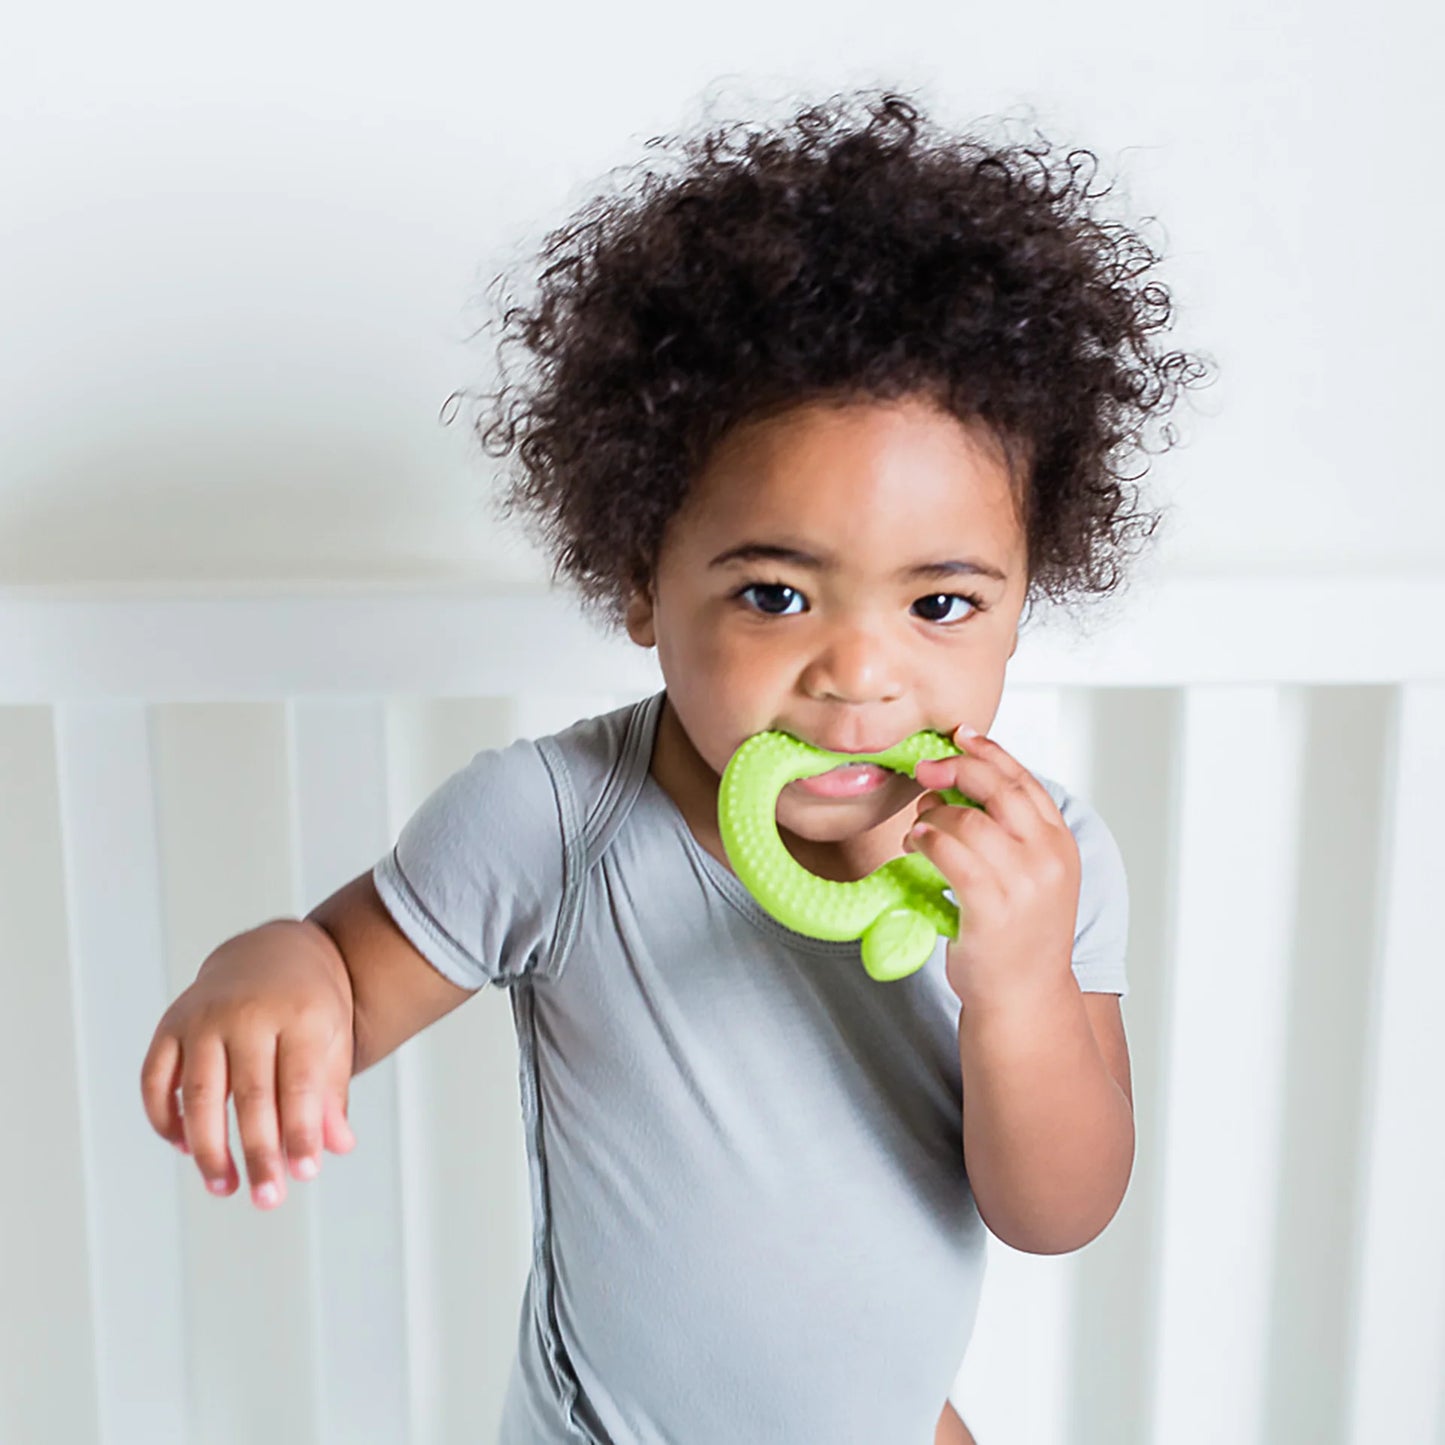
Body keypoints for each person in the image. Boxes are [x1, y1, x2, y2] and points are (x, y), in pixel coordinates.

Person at [141, 88, 1212, 1443]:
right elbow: (342, 978)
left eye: (937, 605)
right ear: (641, 578)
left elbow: (1055, 1211)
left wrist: (1016, 987)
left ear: (1017, 601)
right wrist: (269, 967)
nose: (857, 673)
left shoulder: (1039, 863)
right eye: (774, 594)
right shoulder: (552, 823)